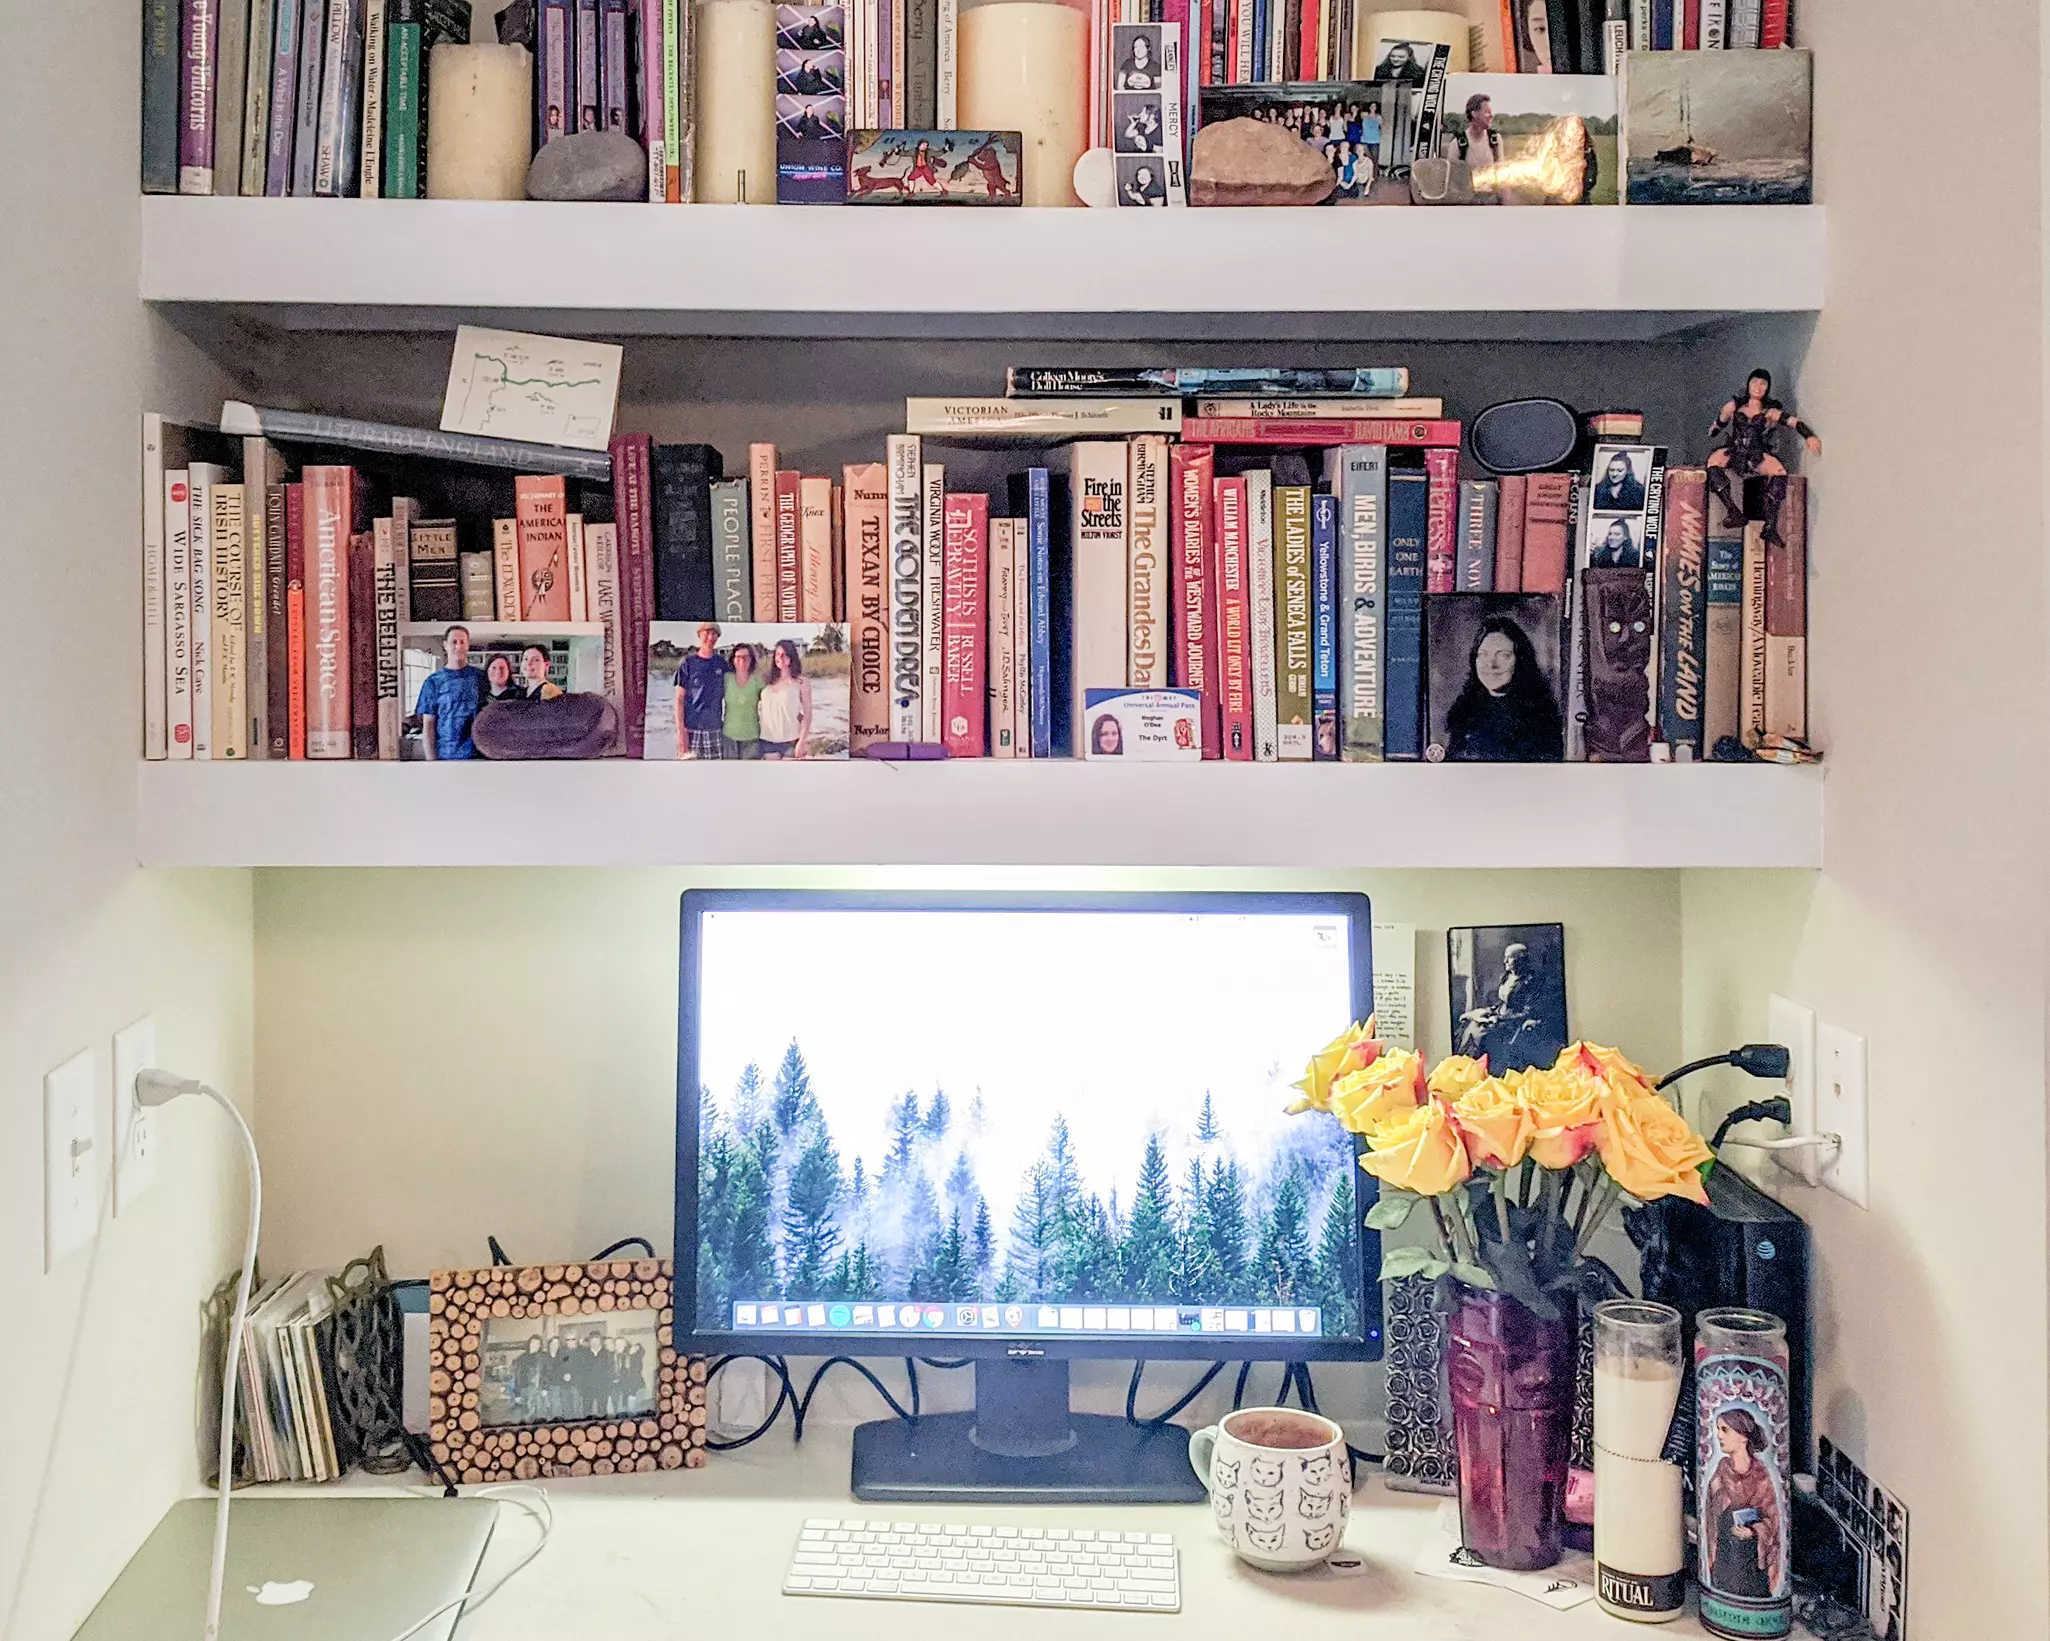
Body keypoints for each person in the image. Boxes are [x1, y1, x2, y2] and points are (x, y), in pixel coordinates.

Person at [1444, 615, 1563, 762]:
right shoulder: (1464, 711)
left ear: (1520, 660)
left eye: (1503, 656)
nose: (1492, 665)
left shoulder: (1540, 714)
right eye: (1483, 655)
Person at [1704, 1409, 1783, 1600]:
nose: (1719, 1435)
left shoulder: (1761, 1475)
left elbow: (1772, 1518)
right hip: (1724, 1561)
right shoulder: (1722, 1469)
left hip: (1750, 1566)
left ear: (1743, 1436)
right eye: (1718, 1429)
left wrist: (1753, 1532)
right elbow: (1710, 1512)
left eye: (1725, 1430)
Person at [1456, 941, 1564, 1070]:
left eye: (1510, 957)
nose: (1505, 961)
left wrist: (1500, 1019)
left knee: (1482, 1034)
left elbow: (1528, 1011)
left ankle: (1486, 1070)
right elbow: (1503, 1002)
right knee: (1469, 1026)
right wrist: (1488, 1011)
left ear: (1521, 960)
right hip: (1500, 1015)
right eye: (1505, 957)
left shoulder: (1531, 981)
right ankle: (1465, 1069)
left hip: (1516, 1022)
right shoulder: (1506, 977)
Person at [416, 625, 485, 761]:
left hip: (478, 756)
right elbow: (428, 725)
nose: (458, 646)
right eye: (454, 642)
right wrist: (431, 762)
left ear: (468, 646)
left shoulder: (480, 678)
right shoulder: (433, 682)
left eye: (462, 642)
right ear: (445, 645)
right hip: (446, 757)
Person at [673, 623, 730, 759]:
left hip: (714, 728)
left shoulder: (721, 664)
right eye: (707, 633)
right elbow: (679, 699)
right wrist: (681, 732)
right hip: (691, 729)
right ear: (699, 635)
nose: (710, 637)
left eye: (714, 634)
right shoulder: (688, 663)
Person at [758, 639, 813, 758]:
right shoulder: (767, 681)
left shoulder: (801, 682)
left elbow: (807, 715)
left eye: (784, 655)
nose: (780, 658)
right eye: (777, 654)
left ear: (791, 657)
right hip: (767, 740)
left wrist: (801, 742)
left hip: (791, 741)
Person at [723, 642, 767, 757]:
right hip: (729, 737)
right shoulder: (726, 679)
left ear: (751, 660)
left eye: (745, 657)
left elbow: (773, 702)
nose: (741, 660)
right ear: (733, 659)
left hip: (752, 738)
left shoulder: (758, 681)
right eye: (738, 657)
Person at [1448, 94, 1500, 165]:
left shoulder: (1495, 139)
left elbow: (1500, 168)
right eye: (1487, 112)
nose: (1491, 115)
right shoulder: (1457, 144)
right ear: (1474, 114)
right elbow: (1452, 174)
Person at [508, 1335, 546, 1422]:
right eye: (533, 1342)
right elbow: (517, 1376)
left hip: (539, 1390)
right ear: (529, 1343)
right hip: (525, 1390)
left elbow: (545, 1374)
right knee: (526, 1415)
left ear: (540, 1345)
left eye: (538, 1343)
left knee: (540, 1416)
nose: (535, 1345)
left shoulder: (542, 1357)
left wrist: (545, 1388)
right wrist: (517, 1394)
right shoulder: (522, 1358)